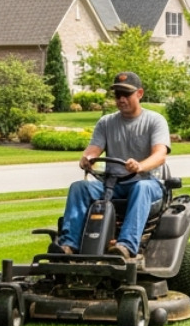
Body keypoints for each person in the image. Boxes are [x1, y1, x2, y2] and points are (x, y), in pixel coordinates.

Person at [54, 71, 171, 260]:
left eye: (126, 94)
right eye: (117, 95)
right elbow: (94, 149)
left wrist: (140, 166)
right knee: (80, 187)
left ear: (139, 94)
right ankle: (69, 244)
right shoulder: (106, 122)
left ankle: (126, 245)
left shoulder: (155, 121)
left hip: (147, 182)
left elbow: (160, 155)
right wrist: (87, 158)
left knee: (141, 187)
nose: (121, 99)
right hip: (113, 185)